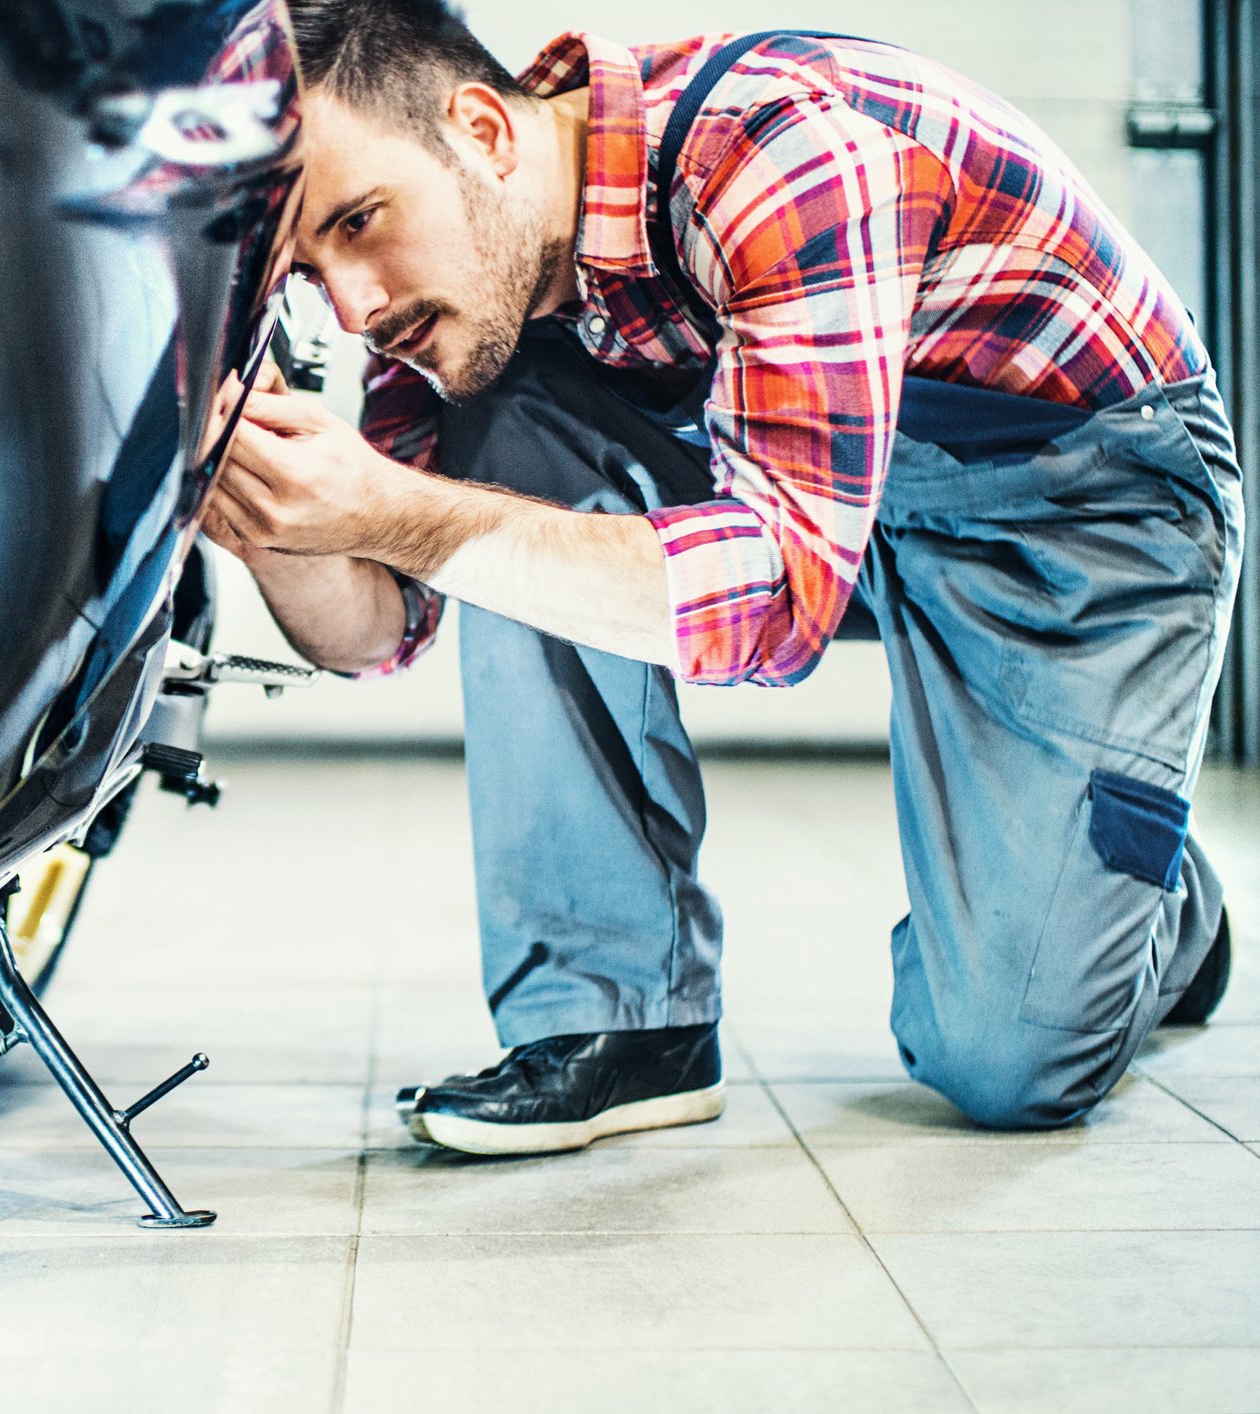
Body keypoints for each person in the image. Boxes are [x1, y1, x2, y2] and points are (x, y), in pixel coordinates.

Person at [204, 0, 1242, 1154]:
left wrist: (408, 514)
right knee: (505, 421)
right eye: (313, 267)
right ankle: (622, 1020)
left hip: (1069, 493)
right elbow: (382, 626)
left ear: (484, 130)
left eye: (360, 220)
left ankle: (1156, 912)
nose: (354, 307)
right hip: (827, 482)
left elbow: (780, 603)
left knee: (1006, 1060)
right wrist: (267, 520)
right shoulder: (464, 298)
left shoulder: (777, 152)